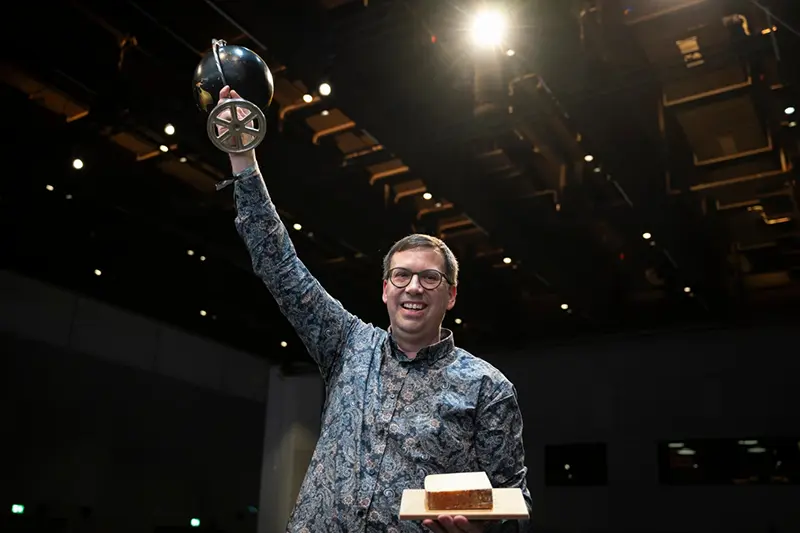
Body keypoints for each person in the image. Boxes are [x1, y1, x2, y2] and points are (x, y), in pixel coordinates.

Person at [217, 86, 532, 532]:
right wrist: (242, 157)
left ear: (451, 295)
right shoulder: (348, 345)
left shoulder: (487, 388)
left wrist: (483, 529)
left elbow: (513, 500)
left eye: (430, 278)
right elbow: (280, 266)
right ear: (385, 289)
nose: (414, 287)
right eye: (401, 276)